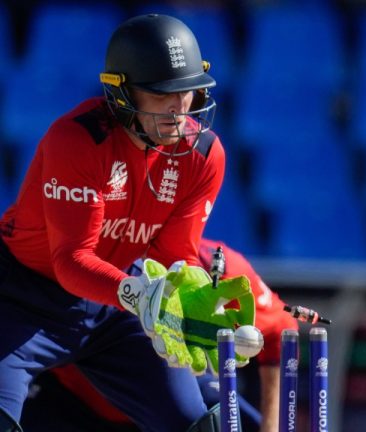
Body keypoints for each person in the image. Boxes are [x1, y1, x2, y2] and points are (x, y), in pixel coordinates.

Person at [0, 14, 253, 432]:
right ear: (120, 91)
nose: (179, 107)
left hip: (121, 301)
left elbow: (174, 255)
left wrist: (188, 297)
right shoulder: (77, 140)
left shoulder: (204, 154)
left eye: (188, 91)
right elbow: (71, 260)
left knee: (198, 425)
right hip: (24, 296)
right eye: (161, 94)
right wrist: (136, 295)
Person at [20, 238, 299, 432]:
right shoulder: (90, 267)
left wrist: (271, 427)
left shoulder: (222, 271)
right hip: (72, 406)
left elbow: (282, 330)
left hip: (186, 400)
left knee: (220, 416)